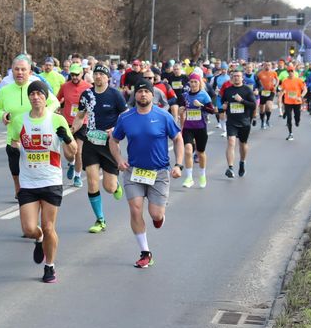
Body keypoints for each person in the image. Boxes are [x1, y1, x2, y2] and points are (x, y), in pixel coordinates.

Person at [109, 79, 183, 268]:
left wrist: (179, 165)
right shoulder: (126, 117)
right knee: (135, 210)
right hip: (134, 171)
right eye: (140, 91)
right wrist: (119, 160)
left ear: (153, 95)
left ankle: (159, 218)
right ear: (135, 95)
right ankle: (145, 252)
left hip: (159, 173)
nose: (143, 94)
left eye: (146, 92)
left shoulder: (163, 116)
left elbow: (178, 139)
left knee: (155, 215)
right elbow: (114, 140)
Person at [8, 80, 77, 283]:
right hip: (28, 181)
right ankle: (38, 239)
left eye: (39, 93)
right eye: (32, 94)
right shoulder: (19, 120)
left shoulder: (57, 120)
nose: (36, 97)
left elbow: (72, 154)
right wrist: (14, 160)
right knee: (29, 229)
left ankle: (50, 267)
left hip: (51, 180)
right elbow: (13, 145)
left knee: (48, 227)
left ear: (46, 97)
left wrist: (67, 139)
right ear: (29, 97)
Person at [0, 55, 60, 198]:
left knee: (35, 165)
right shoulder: (6, 89)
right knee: (15, 166)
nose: (20, 72)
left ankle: (40, 188)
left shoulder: (36, 87)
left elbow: (55, 103)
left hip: (37, 135)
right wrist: (2, 115)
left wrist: (44, 114)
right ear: (12, 71)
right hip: (14, 136)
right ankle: (18, 188)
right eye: (17, 69)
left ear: (30, 72)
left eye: (23, 69)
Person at [72, 64, 127, 233]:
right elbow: (80, 116)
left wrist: (115, 129)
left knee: (109, 188)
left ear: (107, 78)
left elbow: (125, 116)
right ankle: (100, 219)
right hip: (91, 142)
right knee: (92, 179)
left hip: (109, 143)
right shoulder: (87, 95)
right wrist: (71, 132)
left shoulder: (115, 95)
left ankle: (116, 185)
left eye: (102, 75)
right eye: (95, 74)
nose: (98, 77)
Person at [56, 63, 91, 188]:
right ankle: (71, 163)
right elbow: (56, 99)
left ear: (82, 74)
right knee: (68, 153)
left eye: (77, 74)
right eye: (72, 74)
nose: (75, 77)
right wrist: (56, 109)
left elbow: (94, 104)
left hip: (82, 122)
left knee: (78, 152)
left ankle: (77, 176)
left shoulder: (88, 87)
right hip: (67, 122)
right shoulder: (65, 86)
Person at [179, 74, 215, 188]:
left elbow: (212, 111)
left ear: (199, 83)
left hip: (200, 127)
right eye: (192, 82)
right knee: (188, 150)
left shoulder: (204, 95)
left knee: (200, 153)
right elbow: (183, 107)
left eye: (196, 81)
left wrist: (201, 106)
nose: (193, 84)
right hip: (188, 127)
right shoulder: (185, 95)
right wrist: (181, 109)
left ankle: (202, 175)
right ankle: (189, 178)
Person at [222, 69, 256, 178]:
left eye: (238, 76)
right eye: (234, 76)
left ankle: (242, 162)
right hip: (231, 121)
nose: (236, 78)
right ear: (232, 78)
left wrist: (241, 101)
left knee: (243, 144)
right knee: (231, 142)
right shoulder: (228, 91)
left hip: (244, 121)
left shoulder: (247, 90)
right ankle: (230, 168)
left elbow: (253, 105)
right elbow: (224, 102)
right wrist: (224, 106)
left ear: (242, 78)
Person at [279, 68, 307, 140]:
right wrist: (279, 98)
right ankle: (290, 133)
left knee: (297, 116)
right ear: (288, 72)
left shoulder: (298, 80)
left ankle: (297, 121)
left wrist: (301, 96)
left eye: (292, 71)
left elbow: (305, 89)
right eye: (289, 71)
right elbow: (282, 91)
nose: (291, 72)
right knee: (289, 118)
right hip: (288, 102)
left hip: (297, 102)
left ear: (294, 72)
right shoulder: (285, 81)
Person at [256, 62, 278, 129]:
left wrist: (275, 86)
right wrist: (257, 89)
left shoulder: (273, 73)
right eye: (266, 65)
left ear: (271, 66)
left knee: (268, 106)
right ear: (263, 66)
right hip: (262, 92)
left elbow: (277, 80)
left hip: (271, 91)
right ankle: (263, 122)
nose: (267, 66)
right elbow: (256, 82)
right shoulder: (260, 74)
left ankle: (268, 120)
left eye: (269, 65)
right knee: (262, 109)